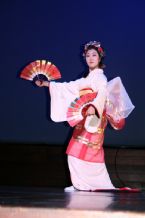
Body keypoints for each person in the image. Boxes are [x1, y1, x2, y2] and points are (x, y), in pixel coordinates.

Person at [35, 41, 134, 191]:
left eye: (94, 55)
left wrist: (94, 107)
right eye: (88, 55)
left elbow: (102, 95)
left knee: (87, 151)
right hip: (85, 118)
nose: (91, 58)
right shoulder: (86, 79)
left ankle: (90, 184)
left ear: (100, 57)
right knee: (74, 152)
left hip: (94, 118)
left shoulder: (100, 78)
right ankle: (80, 184)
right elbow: (69, 86)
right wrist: (47, 84)